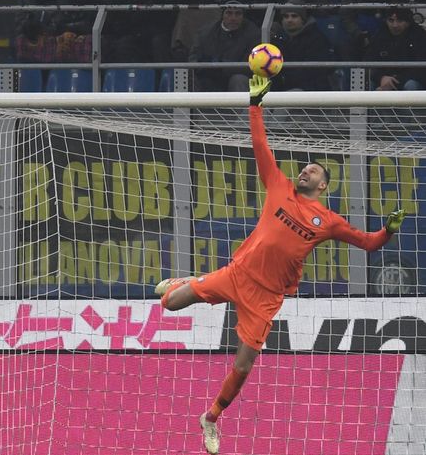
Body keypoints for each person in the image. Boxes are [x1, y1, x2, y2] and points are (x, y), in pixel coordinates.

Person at [154, 75, 406, 455]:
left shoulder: (329, 220)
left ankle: (211, 417)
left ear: (324, 186)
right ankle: (195, 279)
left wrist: (387, 230)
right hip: (237, 274)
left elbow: (368, 244)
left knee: (243, 364)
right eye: (305, 168)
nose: (306, 171)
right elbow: (261, 146)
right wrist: (255, 104)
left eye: (315, 171)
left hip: (267, 296)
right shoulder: (279, 186)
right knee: (169, 304)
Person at [188, 0, 261, 91]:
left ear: (243, 16)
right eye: (229, 13)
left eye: (238, 14)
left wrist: (222, 68)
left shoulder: (253, 34)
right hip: (209, 77)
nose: (233, 18)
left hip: (237, 77)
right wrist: (206, 67)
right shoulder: (205, 33)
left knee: (238, 80)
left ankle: (238, 106)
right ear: (222, 15)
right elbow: (193, 60)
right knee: (191, 77)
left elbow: (253, 66)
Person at [271, 0, 335, 91]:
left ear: (303, 19)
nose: (289, 20)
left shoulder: (316, 39)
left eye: (294, 16)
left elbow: (313, 73)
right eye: (286, 16)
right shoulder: (277, 39)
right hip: (283, 88)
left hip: (310, 90)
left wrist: (285, 79)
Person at [363, 7, 426, 91]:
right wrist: (381, 78)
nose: (395, 25)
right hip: (384, 80)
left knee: (411, 85)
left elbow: (421, 70)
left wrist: (393, 82)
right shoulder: (379, 36)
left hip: (408, 80)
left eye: (399, 21)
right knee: (369, 83)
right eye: (391, 20)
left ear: (408, 22)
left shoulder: (420, 37)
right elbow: (368, 63)